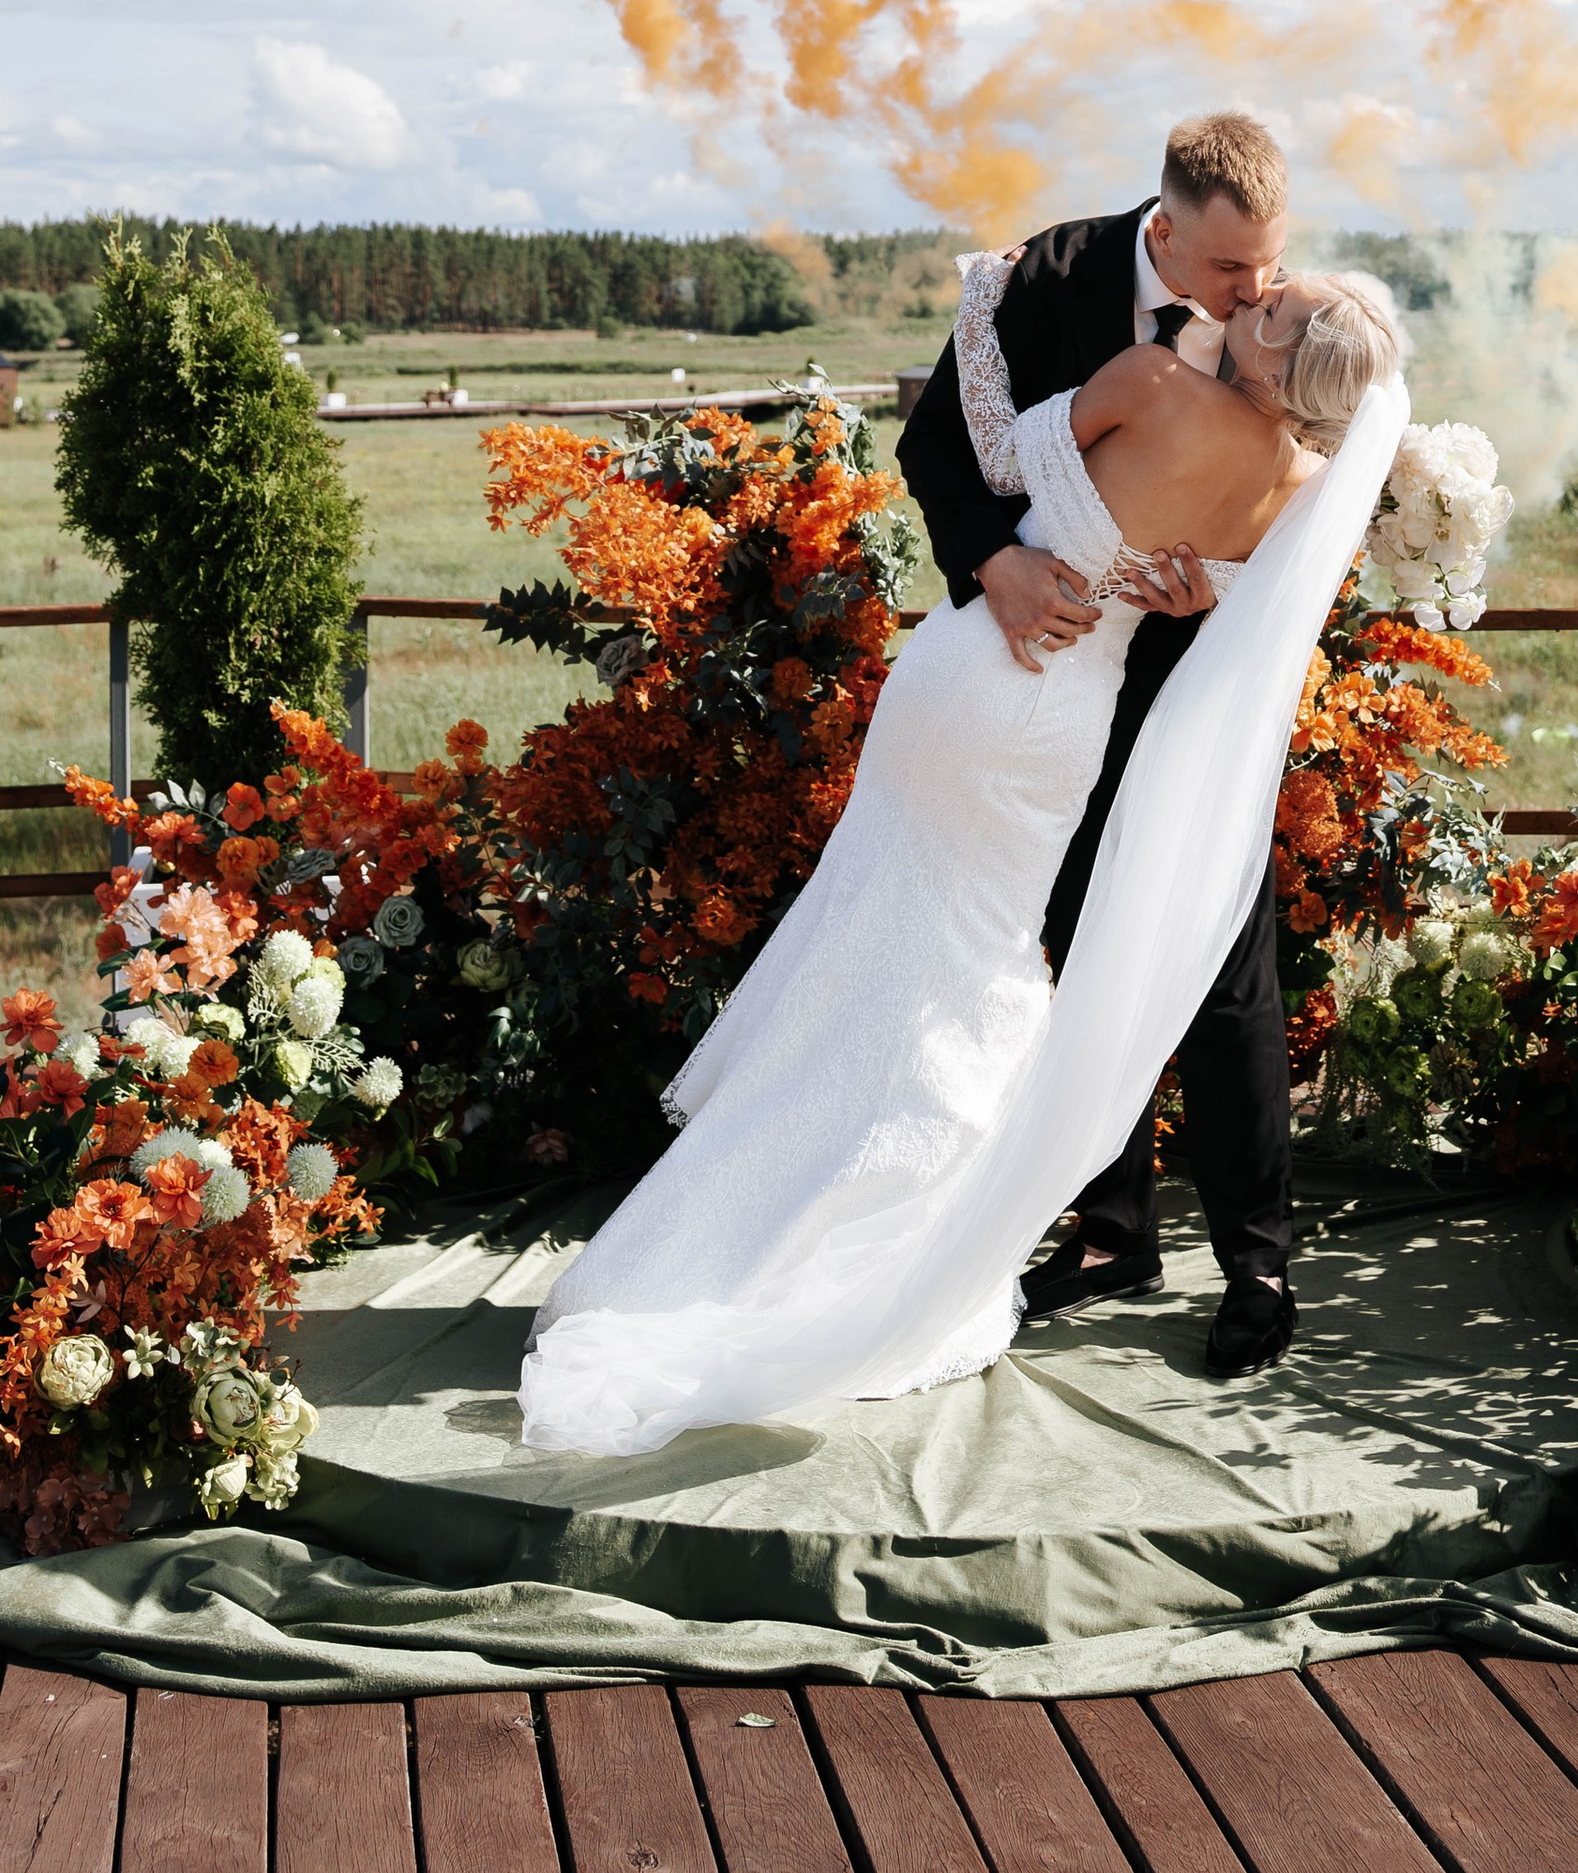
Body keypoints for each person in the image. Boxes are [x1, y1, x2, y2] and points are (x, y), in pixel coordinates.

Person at [513, 232, 1408, 1461]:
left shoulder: (1151, 382)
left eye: (1268, 303)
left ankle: (750, 1226)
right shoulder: (1298, 489)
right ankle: (881, 1231)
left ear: (1275, 352)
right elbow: (1209, 585)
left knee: (880, 935)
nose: (1248, 296)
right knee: (966, 962)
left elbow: (998, 449)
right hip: (1066, 721)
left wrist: (982, 296)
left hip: (976, 669)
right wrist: (1185, 573)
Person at [897, 111, 1307, 1378]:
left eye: (1269, 261)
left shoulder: (1287, 321)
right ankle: (1113, 1227)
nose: (1256, 290)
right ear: (1165, 231)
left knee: (1224, 957)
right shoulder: (1044, 279)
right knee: (1074, 937)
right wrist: (995, 564)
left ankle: (1259, 1259)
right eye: (1230, 267)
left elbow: (1304, 513)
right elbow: (936, 445)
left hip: (1201, 681)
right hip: (1051, 675)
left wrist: (1217, 592)